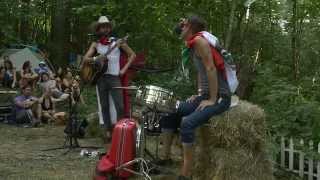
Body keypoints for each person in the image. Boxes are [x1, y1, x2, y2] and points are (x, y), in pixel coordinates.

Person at [160, 15, 231, 180]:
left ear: (190, 27)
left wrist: (212, 99)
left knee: (187, 123)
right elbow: (202, 72)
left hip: (221, 97)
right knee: (171, 109)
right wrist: (200, 93)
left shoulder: (200, 41)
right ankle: (165, 157)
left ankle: (186, 174)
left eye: (183, 26)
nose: (180, 28)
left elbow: (211, 69)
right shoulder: (192, 44)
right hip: (206, 95)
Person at [83, 16, 136, 140]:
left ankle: (120, 131)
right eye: (102, 27)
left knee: (120, 106)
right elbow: (85, 59)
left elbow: (132, 55)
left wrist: (123, 69)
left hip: (114, 77)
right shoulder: (95, 44)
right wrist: (96, 58)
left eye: (107, 26)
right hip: (100, 77)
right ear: (98, 29)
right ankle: (108, 131)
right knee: (104, 106)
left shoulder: (117, 41)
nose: (105, 29)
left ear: (110, 28)